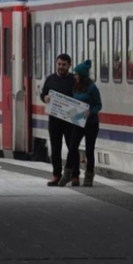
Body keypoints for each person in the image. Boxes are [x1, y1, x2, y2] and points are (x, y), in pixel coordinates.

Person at [62, 60, 102, 187]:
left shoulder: (92, 88)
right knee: (72, 147)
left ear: (82, 76)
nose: (75, 76)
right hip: (78, 122)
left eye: (77, 74)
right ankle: (68, 173)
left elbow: (99, 104)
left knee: (89, 150)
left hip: (91, 124)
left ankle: (89, 176)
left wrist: (91, 112)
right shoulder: (75, 86)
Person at [40, 53, 77, 187]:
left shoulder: (74, 80)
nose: (61, 67)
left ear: (69, 65)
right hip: (54, 119)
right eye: (59, 64)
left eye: (64, 65)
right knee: (55, 148)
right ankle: (56, 175)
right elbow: (43, 93)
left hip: (70, 120)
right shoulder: (50, 79)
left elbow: (80, 96)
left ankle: (75, 176)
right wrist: (45, 98)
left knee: (72, 147)